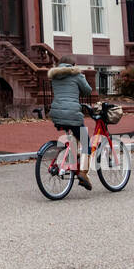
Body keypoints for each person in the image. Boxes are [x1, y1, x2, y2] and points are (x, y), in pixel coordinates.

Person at [48, 60, 95, 190]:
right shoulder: (76, 75)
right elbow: (87, 91)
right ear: (73, 65)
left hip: (57, 114)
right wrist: (82, 78)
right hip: (72, 113)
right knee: (86, 141)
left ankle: (74, 159)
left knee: (73, 134)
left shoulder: (54, 76)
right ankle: (83, 173)